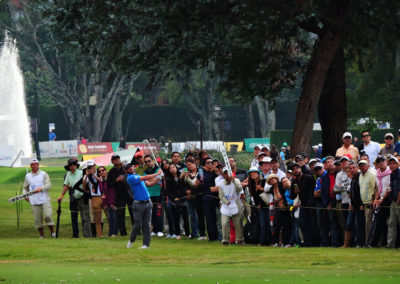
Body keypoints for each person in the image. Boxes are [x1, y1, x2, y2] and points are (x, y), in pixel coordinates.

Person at [126, 164, 163, 249]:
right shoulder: (130, 178)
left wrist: (159, 178)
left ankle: (146, 244)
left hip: (148, 202)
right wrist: (157, 174)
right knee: (137, 224)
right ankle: (131, 240)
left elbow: (149, 184)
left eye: (131, 166)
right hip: (138, 204)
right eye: (128, 168)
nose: (130, 168)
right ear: (126, 170)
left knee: (147, 224)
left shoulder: (138, 176)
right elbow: (145, 178)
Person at [58, 158, 92, 238]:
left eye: (74, 165)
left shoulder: (81, 173)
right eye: (71, 165)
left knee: (85, 217)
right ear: (69, 167)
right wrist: (61, 195)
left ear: (76, 166)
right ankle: (75, 235)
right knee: (74, 217)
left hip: (83, 197)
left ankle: (87, 235)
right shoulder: (68, 174)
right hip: (73, 198)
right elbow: (66, 185)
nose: (72, 166)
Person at [23, 159, 55, 238]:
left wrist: (40, 188)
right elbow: (25, 187)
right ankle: (41, 236)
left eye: (36, 164)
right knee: (37, 219)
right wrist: (25, 195)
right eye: (32, 164)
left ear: (38, 165)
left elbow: (48, 185)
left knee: (48, 216)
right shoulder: (28, 176)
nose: (34, 166)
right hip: (34, 200)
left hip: (45, 198)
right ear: (30, 166)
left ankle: (53, 233)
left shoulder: (44, 174)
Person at [290, 163, 319, 247]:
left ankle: (316, 243)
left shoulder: (308, 177)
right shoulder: (294, 182)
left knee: (313, 224)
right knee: (303, 224)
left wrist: (310, 203)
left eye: (297, 168)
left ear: (300, 169)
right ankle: (307, 242)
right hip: (303, 205)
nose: (296, 170)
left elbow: (312, 190)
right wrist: (295, 192)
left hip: (311, 205)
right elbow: (292, 196)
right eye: (294, 169)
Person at [107, 154, 133, 236]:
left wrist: (124, 178)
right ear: (112, 161)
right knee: (120, 215)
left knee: (133, 213)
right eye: (115, 159)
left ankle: (137, 231)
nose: (117, 160)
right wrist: (117, 180)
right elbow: (109, 185)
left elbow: (132, 176)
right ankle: (123, 233)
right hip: (119, 196)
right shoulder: (111, 172)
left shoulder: (125, 168)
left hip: (129, 194)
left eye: (118, 159)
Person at [217, 167, 243, 245]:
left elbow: (239, 188)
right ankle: (225, 240)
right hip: (226, 206)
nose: (227, 175)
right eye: (225, 173)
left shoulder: (237, 180)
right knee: (224, 223)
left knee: (237, 223)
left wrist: (233, 180)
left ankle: (239, 239)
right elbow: (221, 196)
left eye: (228, 173)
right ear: (224, 175)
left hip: (236, 204)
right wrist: (226, 202)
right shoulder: (221, 184)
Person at [369, 156, 391, 247]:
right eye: (379, 161)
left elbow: (389, 188)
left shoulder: (390, 172)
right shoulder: (377, 174)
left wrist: (382, 199)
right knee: (380, 222)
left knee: (387, 222)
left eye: (383, 160)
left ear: (386, 162)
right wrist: (376, 199)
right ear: (377, 164)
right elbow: (378, 188)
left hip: (388, 199)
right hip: (381, 200)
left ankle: (381, 243)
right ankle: (377, 243)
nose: (381, 162)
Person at [165, 164, 190, 239]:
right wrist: (174, 198)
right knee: (176, 218)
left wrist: (182, 197)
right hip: (174, 201)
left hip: (183, 199)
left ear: (176, 168)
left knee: (185, 218)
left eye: (173, 167)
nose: (172, 169)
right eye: (170, 168)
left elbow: (184, 186)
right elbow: (168, 191)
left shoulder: (182, 176)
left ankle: (188, 233)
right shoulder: (168, 178)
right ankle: (177, 233)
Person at [247, 166, 271, 246]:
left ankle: (269, 241)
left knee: (268, 223)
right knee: (262, 224)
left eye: (254, 173)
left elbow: (269, 191)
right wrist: (258, 205)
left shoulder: (264, 181)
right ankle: (261, 241)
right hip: (259, 207)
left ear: (258, 173)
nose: (253, 174)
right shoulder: (251, 184)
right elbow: (254, 196)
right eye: (251, 173)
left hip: (267, 205)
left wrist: (262, 189)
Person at [267, 174, 292, 247]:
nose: (272, 180)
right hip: (278, 209)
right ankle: (276, 242)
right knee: (276, 225)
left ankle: (285, 242)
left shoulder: (282, 185)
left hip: (287, 208)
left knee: (286, 226)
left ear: (276, 179)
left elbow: (288, 192)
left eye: (273, 178)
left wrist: (288, 203)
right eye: (270, 180)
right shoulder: (272, 189)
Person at [143, 155, 164, 237]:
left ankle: (160, 230)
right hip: (149, 195)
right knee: (151, 213)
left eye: (149, 161)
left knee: (158, 213)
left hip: (158, 194)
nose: (148, 163)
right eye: (146, 162)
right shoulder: (145, 172)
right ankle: (155, 230)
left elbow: (158, 179)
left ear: (153, 161)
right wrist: (155, 176)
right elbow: (146, 182)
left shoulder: (158, 169)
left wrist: (150, 179)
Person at [358, 159, 378, 245]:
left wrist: (373, 200)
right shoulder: (360, 175)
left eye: (363, 165)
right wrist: (361, 203)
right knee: (366, 224)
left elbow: (376, 188)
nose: (362, 167)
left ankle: (369, 242)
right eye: (360, 165)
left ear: (367, 165)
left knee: (369, 224)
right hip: (364, 202)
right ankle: (367, 242)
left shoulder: (372, 175)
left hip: (370, 202)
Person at [83, 162, 103, 238]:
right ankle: (99, 234)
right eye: (89, 167)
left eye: (92, 166)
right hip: (95, 197)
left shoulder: (100, 172)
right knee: (97, 217)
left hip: (103, 195)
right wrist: (87, 176)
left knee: (109, 215)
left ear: (95, 165)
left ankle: (112, 233)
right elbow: (84, 186)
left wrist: (94, 174)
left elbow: (100, 180)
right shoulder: (87, 175)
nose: (91, 168)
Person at [98, 166, 118, 237]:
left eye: (103, 170)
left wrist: (112, 203)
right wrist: (105, 204)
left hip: (113, 202)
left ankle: (115, 233)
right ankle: (110, 232)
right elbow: (102, 193)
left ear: (106, 171)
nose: (101, 172)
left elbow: (112, 192)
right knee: (110, 218)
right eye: (100, 171)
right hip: (107, 202)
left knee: (114, 217)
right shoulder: (100, 181)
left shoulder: (109, 180)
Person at [387, 156, 400, 248]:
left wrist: (398, 201)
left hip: (398, 202)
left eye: (393, 163)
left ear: (397, 164)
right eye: (390, 164)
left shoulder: (399, 173)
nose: (391, 165)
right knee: (391, 223)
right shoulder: (392, 174)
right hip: (393, 201)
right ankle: (390, 244)